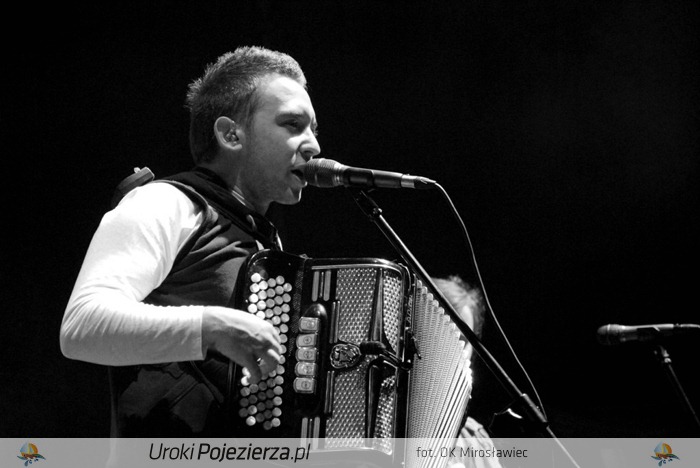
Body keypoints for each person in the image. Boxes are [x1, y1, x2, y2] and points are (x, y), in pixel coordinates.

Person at [60, 46, 321, 437]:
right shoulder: (164, 202)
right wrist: (210, 327)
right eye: (292, 124)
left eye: (314, 129)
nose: (313, 145)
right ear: (230, 134)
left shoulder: (264, 242)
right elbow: (82, 326)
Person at [432, 276, 503, 468]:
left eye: (462, 341)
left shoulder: (475, 439)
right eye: (442, 335)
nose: (453, 349)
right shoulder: (375, 425)